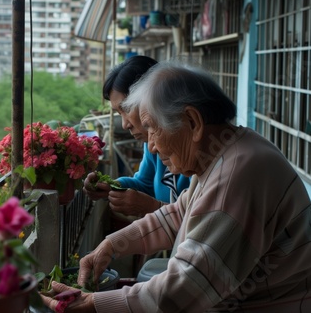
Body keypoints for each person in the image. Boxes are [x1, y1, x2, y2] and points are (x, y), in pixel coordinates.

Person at [42, 61, 311, 312]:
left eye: (152, 129)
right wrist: (111, 244)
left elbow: (184, 289)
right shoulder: (222, 155)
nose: (151, 146)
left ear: (192, 122)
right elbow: (176, 216)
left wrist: (94, 303)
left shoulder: (237, 173)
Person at [83, 55, 190, 219]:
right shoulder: (151, 142)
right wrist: (112, 186)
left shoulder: (197, 153)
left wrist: (151, 207)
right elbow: (146, 184)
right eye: (119, 113)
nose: (125, 124)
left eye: (127, 108)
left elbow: (200, 221)